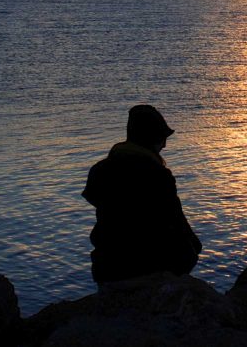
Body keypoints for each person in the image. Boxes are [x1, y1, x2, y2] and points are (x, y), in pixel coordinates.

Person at [82, 105, 202, 284]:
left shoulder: (100, 170)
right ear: (151, 139)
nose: (165, 145)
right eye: (162, 139)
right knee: (188, 250)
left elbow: (95, 199)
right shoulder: (158, 175)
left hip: (106, 266)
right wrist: (194, 247)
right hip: (147, 266)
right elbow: (177, 219)